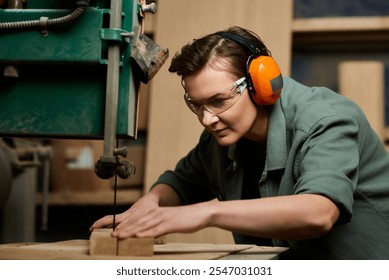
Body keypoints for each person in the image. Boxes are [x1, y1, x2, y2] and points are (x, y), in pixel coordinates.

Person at [90, 26, 389, 259]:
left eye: (218, 101)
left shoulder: (326, 120)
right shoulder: (219, 140)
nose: (207, 119)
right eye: (196, 105)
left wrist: (206, 214)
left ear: (262, 85)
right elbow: (181, 182)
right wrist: (150, 204)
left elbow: (319, 213)